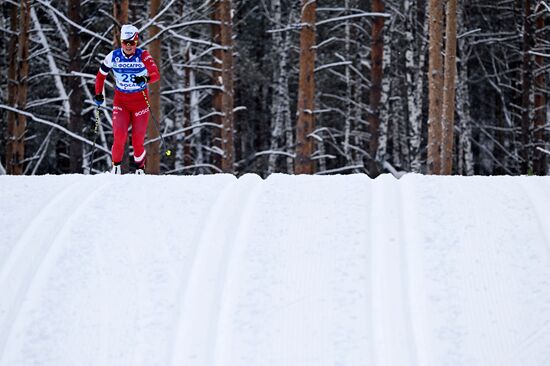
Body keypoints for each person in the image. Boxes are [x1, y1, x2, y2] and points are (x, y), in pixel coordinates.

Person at [93, 24, 160, 175]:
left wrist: (145, 78)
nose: (129, 46)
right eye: (125, 43)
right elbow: (100, 76)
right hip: (121, 102)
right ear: (121, 42)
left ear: (136, 43)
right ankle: (116, 168)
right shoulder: (113, 56)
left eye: (132, 43)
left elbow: (156, 75)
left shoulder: (143, 56)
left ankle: (140, 168)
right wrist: (98, 93)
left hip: (140, 103)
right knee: (119, 135)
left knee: (137, 140)